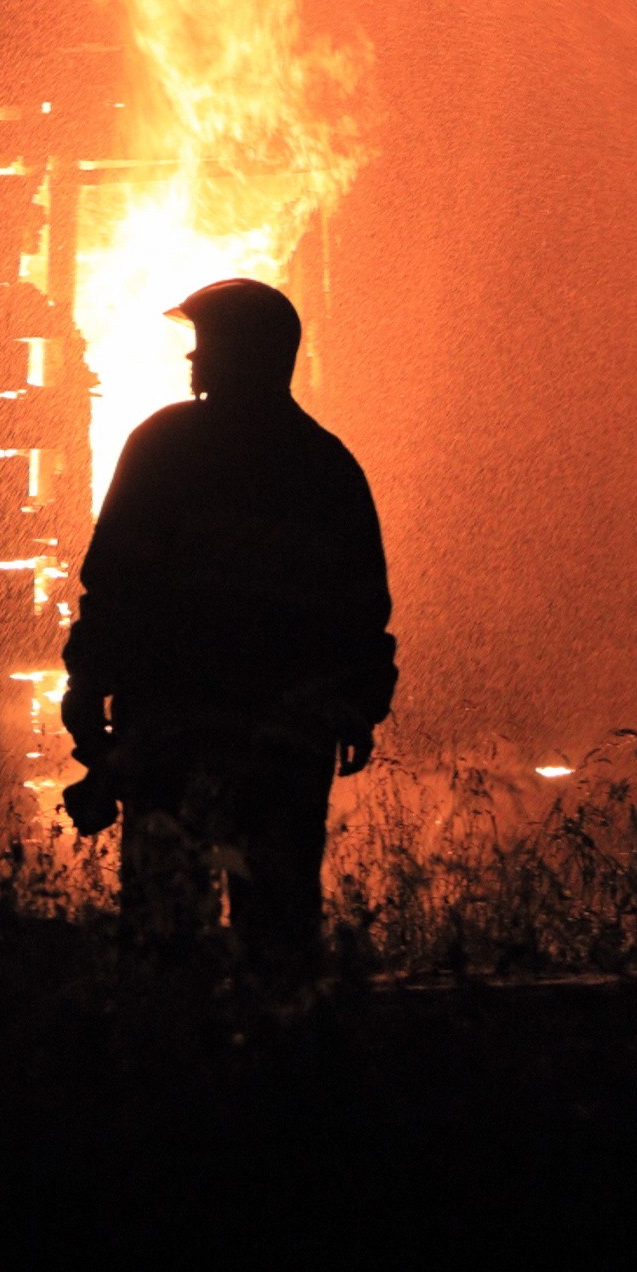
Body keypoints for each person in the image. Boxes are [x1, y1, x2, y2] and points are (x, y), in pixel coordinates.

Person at [57, 278, 395, 951]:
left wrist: (89, 684)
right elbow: (361, 608)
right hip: (285, 740)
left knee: (164, 926)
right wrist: (357, 704)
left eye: (206, 346)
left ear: (246, 354)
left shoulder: (165, 449)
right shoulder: (327, 468)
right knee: (278, 923)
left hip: (172, 729)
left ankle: (179, 1048)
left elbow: (116, 582)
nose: (193, 361)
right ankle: (274, 1043)